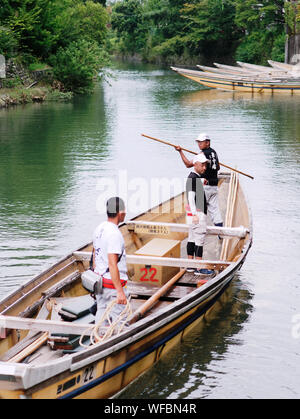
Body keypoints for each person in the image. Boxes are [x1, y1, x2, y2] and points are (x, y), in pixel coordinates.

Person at [92, 196, 130, 327]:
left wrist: (95, 275)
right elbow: (112, 263)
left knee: (101, 317)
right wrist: (120, 291)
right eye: (124, 211)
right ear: (120, 213)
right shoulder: (114, 234)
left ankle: (98, 341)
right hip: (112, 286)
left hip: (99, 282)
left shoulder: (99, 228)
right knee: (121, 320)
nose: (125, 213)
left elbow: (94, 254)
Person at [176, 132, 223, 229]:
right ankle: (220, 232)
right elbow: (218, 167)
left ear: (208, 143)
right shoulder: (214, 153)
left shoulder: (202, 154)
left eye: (201, 142)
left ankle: (198, 230)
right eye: (198, 142)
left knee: (199, 210)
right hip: (214, 186)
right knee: (215, 211)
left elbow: (188, 164)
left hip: (205, 186)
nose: (199, 144)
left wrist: (180, 152)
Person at [185, 153, 212, 276]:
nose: (204, 167)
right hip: (198, 214)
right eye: (202, 165)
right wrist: (195, 214)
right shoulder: (193, 179)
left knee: (191, 238)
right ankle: (199, 268)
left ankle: (190, 265)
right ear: (195, 165)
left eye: (205, 165)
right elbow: (191, 198)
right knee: (199, 239)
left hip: (191, 214)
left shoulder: (194, 177)